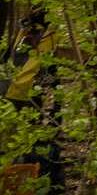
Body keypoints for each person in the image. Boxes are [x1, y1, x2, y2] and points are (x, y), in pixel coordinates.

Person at [5, 11, 63, 195]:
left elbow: (49, 79)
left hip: (26, 98)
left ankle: (28, 178)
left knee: (29, 146)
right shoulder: (25, 40)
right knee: (19, 144)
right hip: (18, 97)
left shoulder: (41, 42)